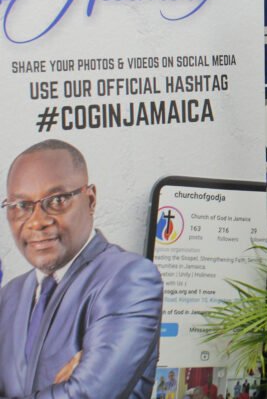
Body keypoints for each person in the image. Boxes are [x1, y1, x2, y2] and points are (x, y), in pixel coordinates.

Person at [0, 139, 163, 398]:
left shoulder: (129, 278)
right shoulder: (9, 296)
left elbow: (88, 394)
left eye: (57, 200)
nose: (37, 222)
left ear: (90, 200)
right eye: (21, 206)